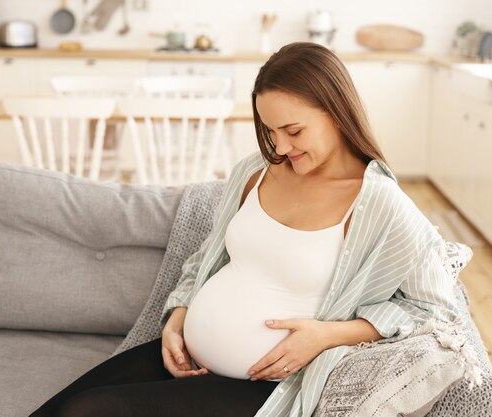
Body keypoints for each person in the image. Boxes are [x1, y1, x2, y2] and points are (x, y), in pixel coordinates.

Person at [29, 41, 459, 417]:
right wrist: (178, 318)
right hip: (187, 354)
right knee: (54, 409)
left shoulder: (380, 204)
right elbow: (207, 259)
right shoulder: (256, 171)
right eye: (270, 131)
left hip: (264, 388)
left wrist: (326, 335)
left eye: (293, 130)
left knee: (84, 412)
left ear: (336, 112)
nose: (281, 147)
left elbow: (436, 311)